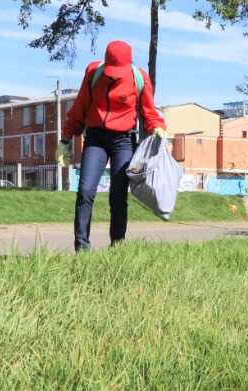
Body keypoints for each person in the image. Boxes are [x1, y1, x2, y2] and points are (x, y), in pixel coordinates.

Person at [57, 40, 168, 252]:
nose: (114, 76)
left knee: (118, 195)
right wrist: (66, 139)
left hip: (124, 140)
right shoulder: (93, 72)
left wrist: (158, 128)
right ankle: (82, 248)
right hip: (96, 138)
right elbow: (80, 107)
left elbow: (149, 112)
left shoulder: (139, 78)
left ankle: (117, 247)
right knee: (85, 191)